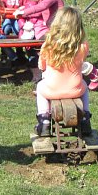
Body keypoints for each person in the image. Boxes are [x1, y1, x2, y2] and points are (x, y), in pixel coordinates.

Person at [33, 7, 94, 138]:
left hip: (52, 90)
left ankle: (44, 120)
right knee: (85, 86)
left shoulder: (48, 45)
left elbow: (41, 66)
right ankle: (85, 118)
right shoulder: (82, 46)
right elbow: (82, 62)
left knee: (40, 87)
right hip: (75, 89)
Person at [14, 0, 64, 82]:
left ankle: (90, 71)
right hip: (52, 30)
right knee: (36, 45)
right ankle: (42, 70)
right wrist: (24, 7)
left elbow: (41, 7)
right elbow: (37, 4)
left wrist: (23, 13)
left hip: (59, 31)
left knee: (48, 48)